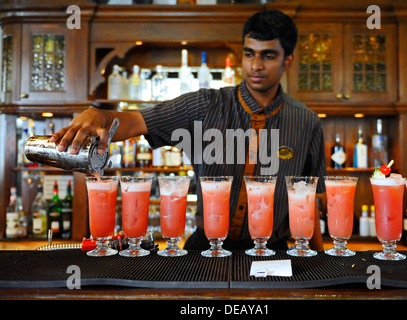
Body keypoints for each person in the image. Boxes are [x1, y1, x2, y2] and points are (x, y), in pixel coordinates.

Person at [50, 9, 327, 251]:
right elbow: (134, 121)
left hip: (273, 251)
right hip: (203, 248)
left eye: (268, 56)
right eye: (249, 53)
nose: (255, 65)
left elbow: (309, 199)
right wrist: (100, 114)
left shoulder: (307, 122)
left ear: (287, 60)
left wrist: (323, 261)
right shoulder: (205, 105)